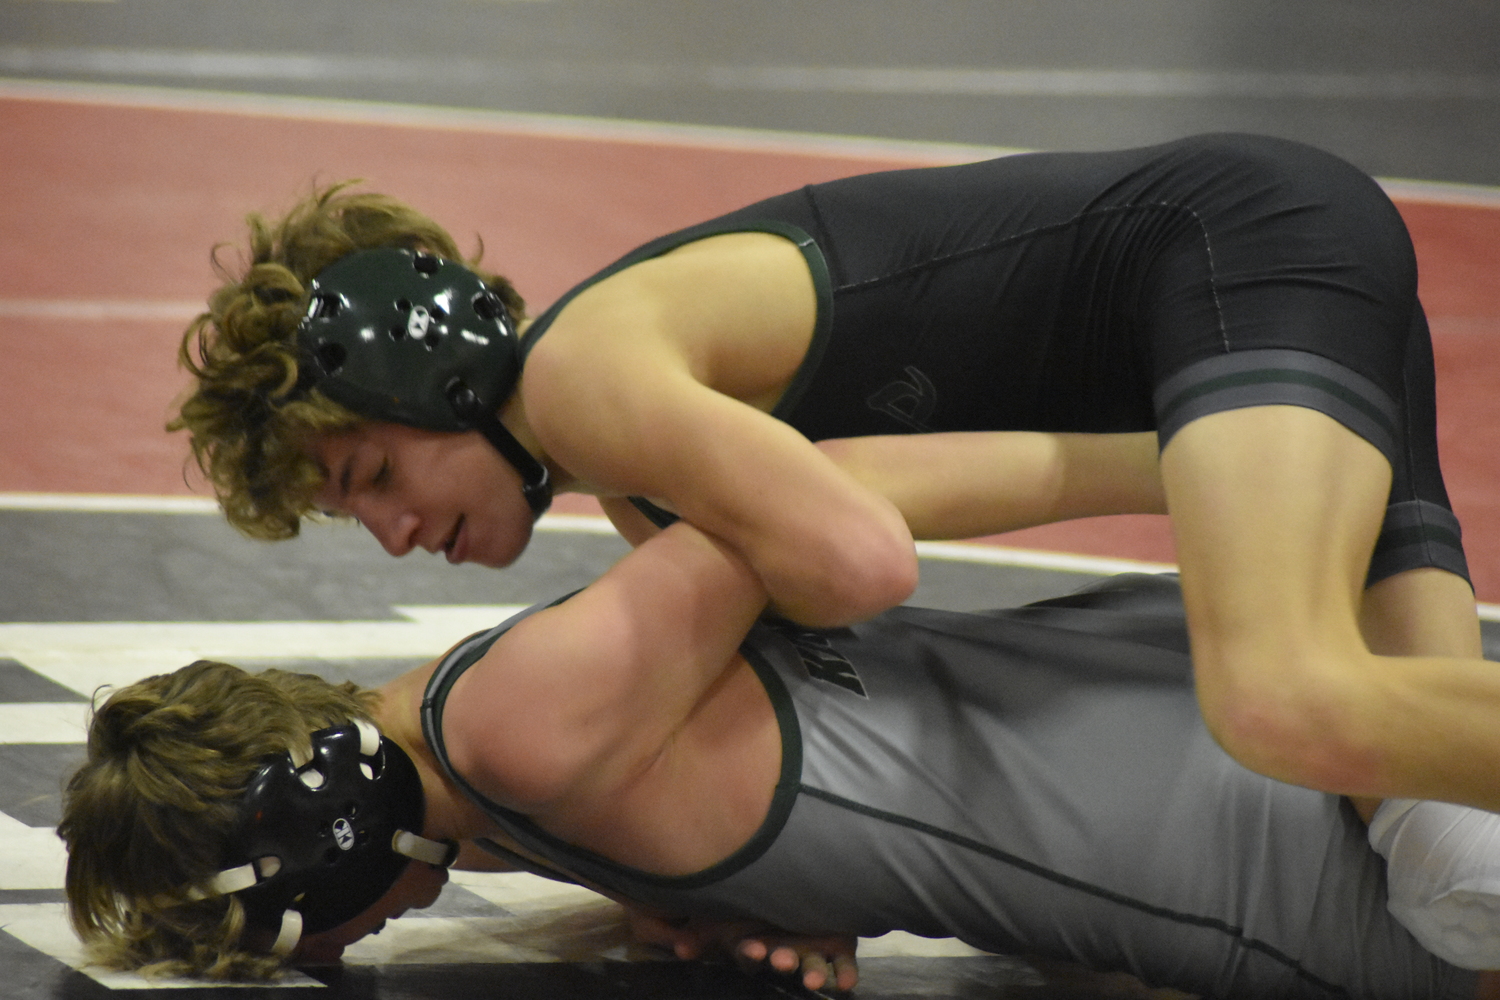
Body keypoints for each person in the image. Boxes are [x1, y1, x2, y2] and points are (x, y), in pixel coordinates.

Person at [170, 132, 1494, 819]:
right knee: (1432, 848)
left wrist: (1166, 465)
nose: (394, 534)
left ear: (434, 378)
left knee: (1280, 700)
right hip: (1232, 292)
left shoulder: (588, 376)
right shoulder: (636, 475)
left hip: (1226, 253)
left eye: (372, 473)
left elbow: (860, 561)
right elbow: (832, 640)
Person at [57, 518, 1500, 997]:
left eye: (309, 935)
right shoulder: (494, 746)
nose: (344, 951)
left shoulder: (516, 731)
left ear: (322, 838)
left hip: (1277, 843)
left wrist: (1202, 446)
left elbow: (851, 496)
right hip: (1196, 708)